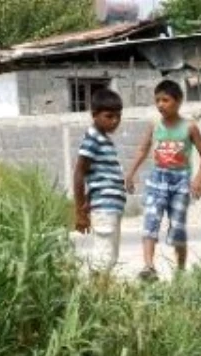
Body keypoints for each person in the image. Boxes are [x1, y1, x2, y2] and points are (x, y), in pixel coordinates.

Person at [125, 79, 201, 281]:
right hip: (158, 179)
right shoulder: (155, 125)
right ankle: (149, 267)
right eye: (157, 100)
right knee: (151, 221)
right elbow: (142, 149)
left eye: (166, 100)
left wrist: (198, 179)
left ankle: (180, 273)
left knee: (178, 228)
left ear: (178, 101)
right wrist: (130, 173)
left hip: (181, 182)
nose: (160, 105)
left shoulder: (189, 127)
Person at [72, 88, 126, 274]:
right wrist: (79, 212)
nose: (115, 121)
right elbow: (79, 173)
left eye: (118, 116)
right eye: (109, 116)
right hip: (105, 209)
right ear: (94, 115)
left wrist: (89, 199)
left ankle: (101, 296)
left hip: (110, 206)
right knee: (103, 258)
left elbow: (97, 177)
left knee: (110, 257)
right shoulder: (93, 139)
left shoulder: (103, 139)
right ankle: (95, 297)